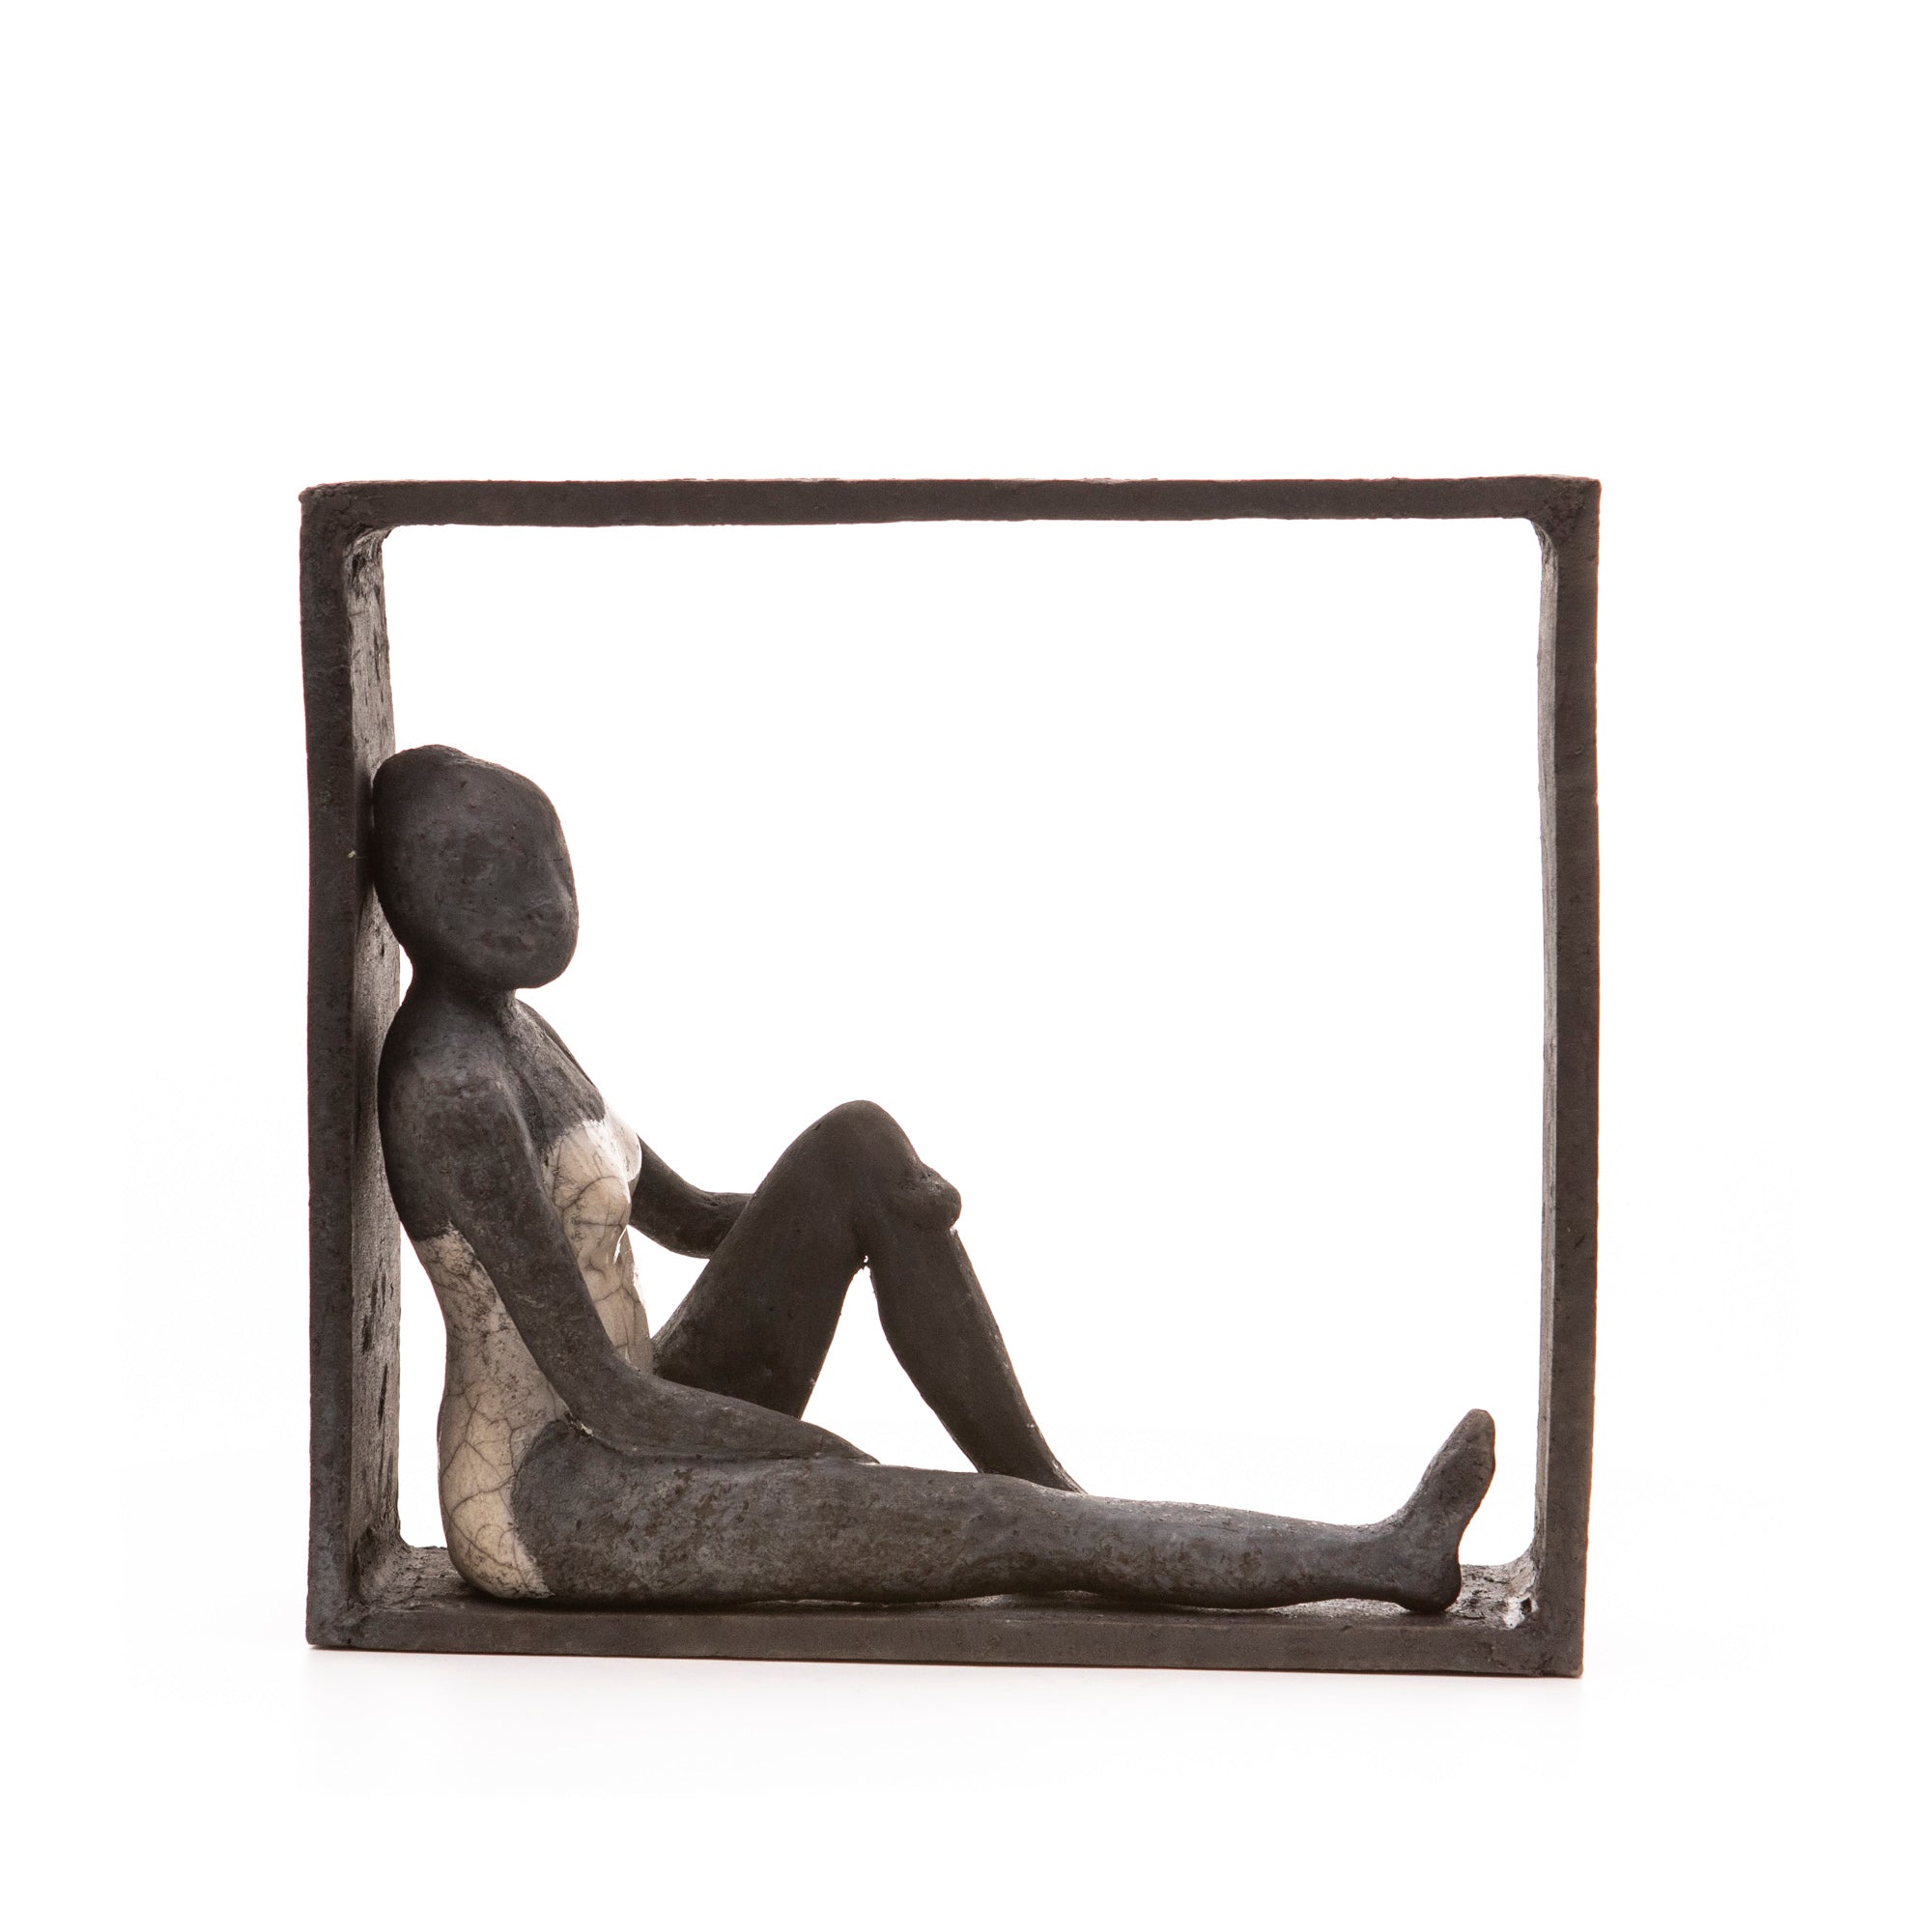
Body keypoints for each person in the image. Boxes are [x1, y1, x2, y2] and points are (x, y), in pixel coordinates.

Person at [373, 744, 1494, 1610]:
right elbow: (600, 1393)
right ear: (414, 901)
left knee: (857, 1143)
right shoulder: (455, 1089)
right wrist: (819, 1463)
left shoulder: (520, 1030)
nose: (541, 898)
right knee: (980, 1526)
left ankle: (1059, 1501)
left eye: (550, 859)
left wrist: (878, 1216)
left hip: (641, 1410)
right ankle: (1379, 1556)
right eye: (486, 874)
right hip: (555, 1494)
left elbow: (692, 1216)